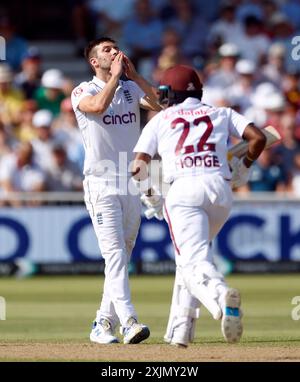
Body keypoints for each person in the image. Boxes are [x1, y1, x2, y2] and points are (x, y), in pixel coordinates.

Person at [132, 64, 266, 347]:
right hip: (220, 189)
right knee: (189, 260)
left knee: (194, 262)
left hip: (184, 191)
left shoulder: (161, 119)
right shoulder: (221, 112)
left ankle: (220, 297)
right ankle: (180, 331)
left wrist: (151, 195)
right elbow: (258, 138)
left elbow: (137, 166)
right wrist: (244, 166)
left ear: (168, 94)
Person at [71, 37, 160, 345]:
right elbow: (96, 107)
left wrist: (133, 76)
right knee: (116, 256)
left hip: (130, 181)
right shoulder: (83, 90)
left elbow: (161, 106)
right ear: (95, 62)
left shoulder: (131, 88)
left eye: (115, 48)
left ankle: (102, 322)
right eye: (106, 50)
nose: (114, 52)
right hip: (100, 182)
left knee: (122, 257)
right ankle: (129, 322)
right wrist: (115, 78)